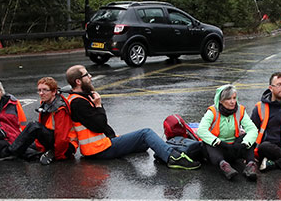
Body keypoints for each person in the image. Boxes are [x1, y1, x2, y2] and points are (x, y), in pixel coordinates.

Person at [64, 64, 200, 169]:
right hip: (99, 150)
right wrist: (99, 105)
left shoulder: (80, 97)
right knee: (146, 133)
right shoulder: (78, 103)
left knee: (143, 143)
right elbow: (99, 125)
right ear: (78, 81)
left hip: (102, 145)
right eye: (86, 75)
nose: (90, 76)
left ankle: (164, 153)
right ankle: (173, 158)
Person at [196, 84, 259, 180]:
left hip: (234, 147)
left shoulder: (240, 110)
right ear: (220, 100)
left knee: (249, 139)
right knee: (207, 143)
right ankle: (224, 166)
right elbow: (201, 130)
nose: (233, 102)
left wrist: (244, 144)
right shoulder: (212, 111)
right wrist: (219, 142)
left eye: (234, 98)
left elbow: (252, 129)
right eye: (229, 99)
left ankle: (250, 166)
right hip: (219, 147)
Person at [7, 77, 76, 165]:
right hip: (53, 140)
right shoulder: (45, 103)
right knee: (25, 144)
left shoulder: (60, 108)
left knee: (34, 126)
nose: (41, 93)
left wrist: (59, 155)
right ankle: (40, 155)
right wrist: (41, 148)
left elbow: (62, 137)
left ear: (54, 92)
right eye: (39, 90)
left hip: (66, 146)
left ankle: (10, 152)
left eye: (45, 90)